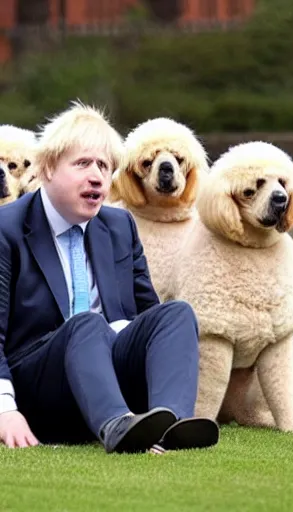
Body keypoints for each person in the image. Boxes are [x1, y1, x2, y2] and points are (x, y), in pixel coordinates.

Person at [0, 101, 219, 454]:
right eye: (83, 163)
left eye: (104, 166)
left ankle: (169, 425)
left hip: (109, 380)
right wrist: (5, 411)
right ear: (49, 167)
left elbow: (146, 321)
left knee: (175, 314)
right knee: (86, 324)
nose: (97, 176)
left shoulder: (119, 226)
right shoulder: (6, 228)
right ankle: (117, 427)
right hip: (41, 391)